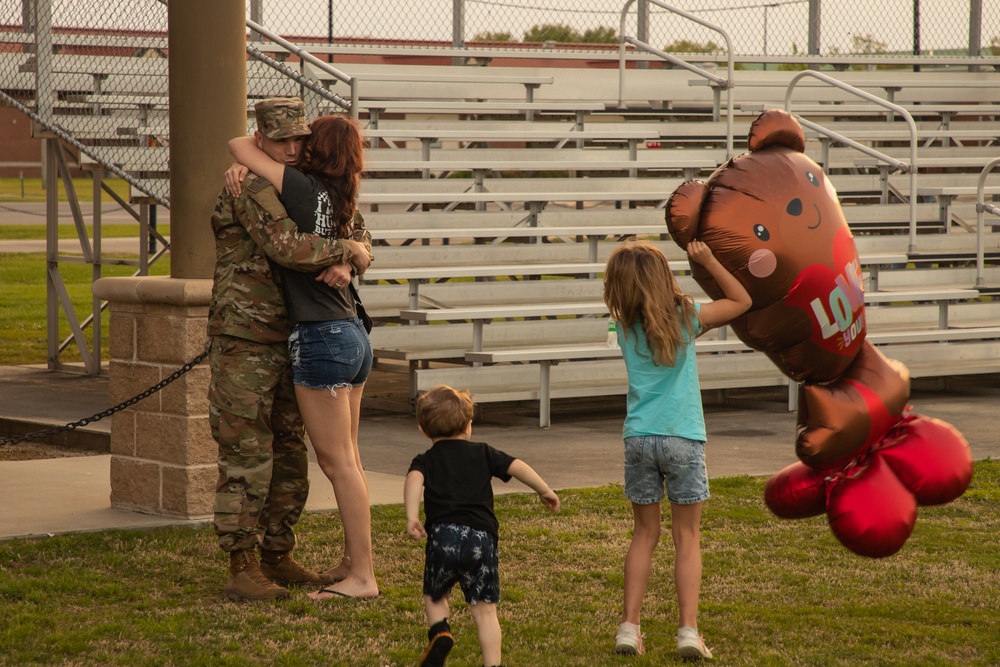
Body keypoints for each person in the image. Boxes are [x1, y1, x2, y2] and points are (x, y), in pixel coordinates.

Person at [208, 97, 370, 601]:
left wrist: (357, 254)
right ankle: (242, 563)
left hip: (295, 336)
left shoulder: (298, 184)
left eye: (300, 139)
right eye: (282, 141)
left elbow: (354, 226)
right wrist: (349, 252)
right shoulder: (253, 185)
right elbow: (289, 249)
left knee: (290, 449)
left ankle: (277, 553)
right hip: (245, 339)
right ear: (261, 141)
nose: (294, 149)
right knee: (247, 450)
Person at [602, 240, 751, 661]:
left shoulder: (623, 325)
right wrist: (706, 260)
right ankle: (688, 632)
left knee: (644, 535)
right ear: (664, 279)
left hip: (638, 439)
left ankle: (629, 628)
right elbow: (742, 300)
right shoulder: (687, 319)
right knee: (686, 537)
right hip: (683, 437)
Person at [403, 385, 560, 667]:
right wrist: (544, 489)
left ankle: (440, 631)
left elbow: (414, 480)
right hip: (481, 539)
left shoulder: (425, 460)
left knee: (435, 594)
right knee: (485, 612)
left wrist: (412, 516)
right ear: (468, 425)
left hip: (442, 537)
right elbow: (516, 465)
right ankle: (492, 664)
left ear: (423, 430)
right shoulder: (483, 453)